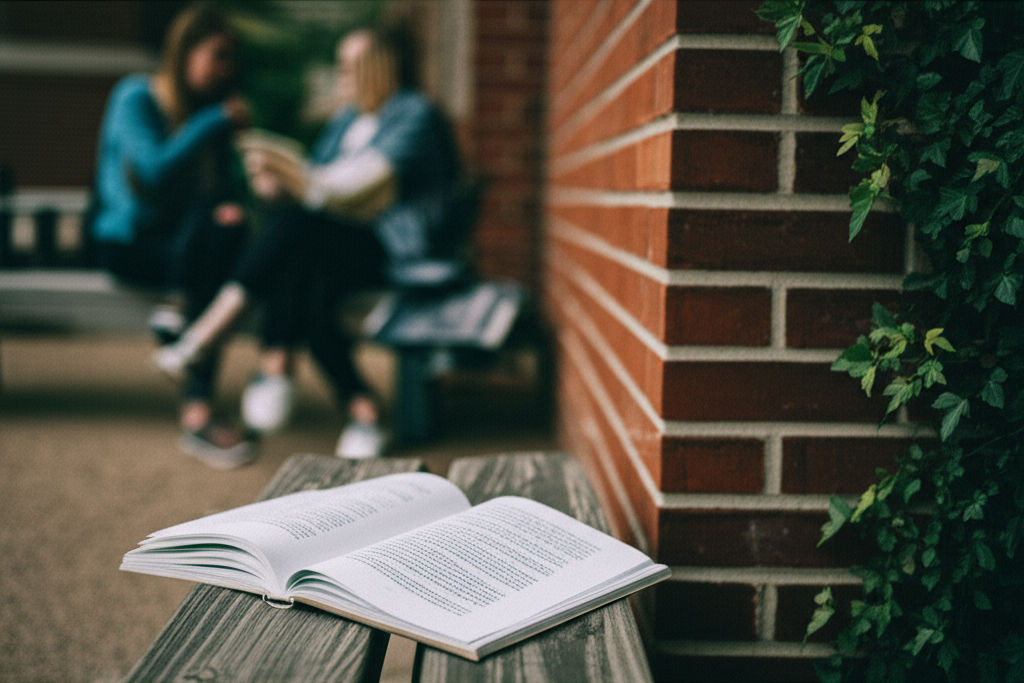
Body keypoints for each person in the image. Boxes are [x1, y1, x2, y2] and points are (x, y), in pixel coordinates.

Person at [155, 26, 466, 458]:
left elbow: (356, 184)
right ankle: (362, 409)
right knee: (308, 275)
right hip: (331, 245)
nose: (341, 75)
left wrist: (300, 185)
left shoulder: (413, 113)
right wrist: (275, 187)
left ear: (383, 65)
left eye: (350, 65)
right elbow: (314, 186)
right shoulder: (345, 121)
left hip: (394, 247)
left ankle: (237, 346)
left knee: (300, 231)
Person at [91, 3, 255, 468]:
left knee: (225, 232)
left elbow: (219, 191)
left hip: (184, 248)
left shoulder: (208, 112)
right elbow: (153, 171)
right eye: (218, 55)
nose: (226, 69)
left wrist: (233, 204)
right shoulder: (136, 97)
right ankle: (198, 411)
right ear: (186, 49)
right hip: (127, 243)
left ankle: (178, 316)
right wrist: (214, 121)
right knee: (214, 264)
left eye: (231, 59)